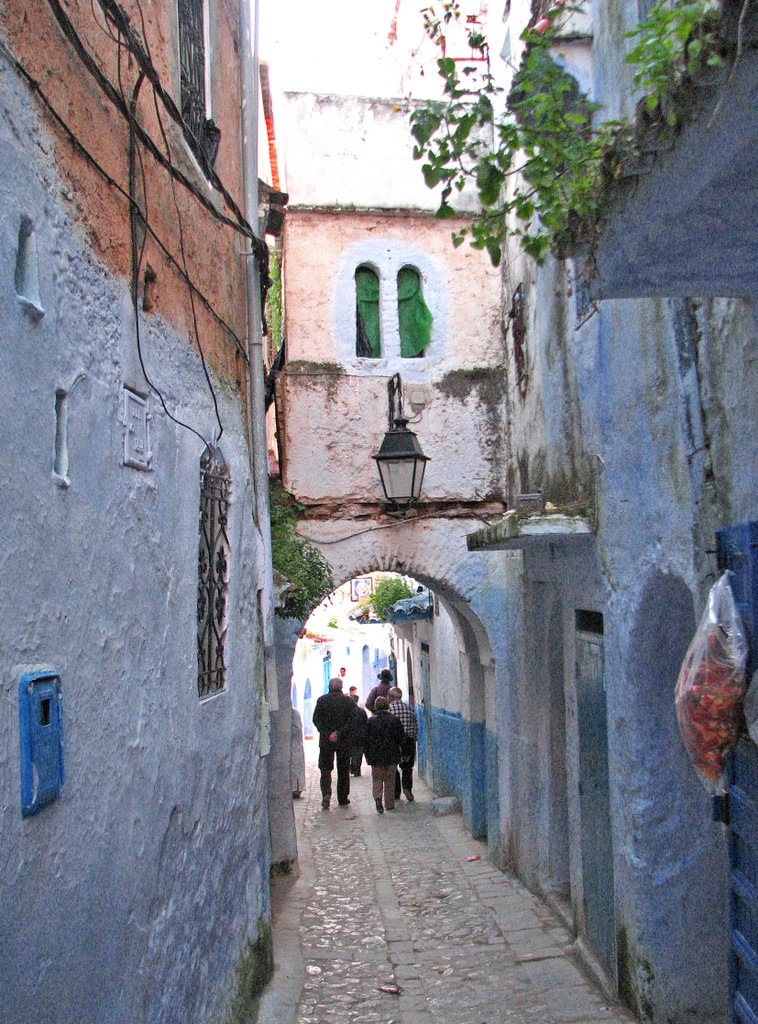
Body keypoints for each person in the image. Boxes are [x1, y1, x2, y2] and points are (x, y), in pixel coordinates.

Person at [312, 676, 357, 809]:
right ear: (341, 687)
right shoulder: (348, 701)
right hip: (343, 741)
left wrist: (328, 733)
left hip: (326, 741)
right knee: (343, 769)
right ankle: (343, 798)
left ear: (329, 687)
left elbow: (316, 719)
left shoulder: (322, 701)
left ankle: (326, 794)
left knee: (325, 768)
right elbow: (352, 721)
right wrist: (339, 733)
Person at [364, 695, 404, 813]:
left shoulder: (371, 722)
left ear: (376, 707)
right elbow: (401, 738)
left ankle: (377, 798)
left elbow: (366, 741)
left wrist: (368, 756)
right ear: (387, 706)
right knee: (390, 780)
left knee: (377, 778)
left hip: (376, 757)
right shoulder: (394, 720)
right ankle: (389, 804)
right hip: (392, 755)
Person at [388, 686, 419, 802]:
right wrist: (413, 739)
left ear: (391, 697)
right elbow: (415, 727)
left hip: (394, 743)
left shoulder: (389, 710)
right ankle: (407, 788)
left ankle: (396, 792)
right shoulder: (410, 709)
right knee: (407, 767)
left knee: (393, 767)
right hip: (408, 742)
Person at [348, 693, 368, 776]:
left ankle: (351, 767)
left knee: (349, 753)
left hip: (349, 735)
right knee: (358, 754)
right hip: (360, 735)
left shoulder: (346, 711)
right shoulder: (362, 711)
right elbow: (366, 723)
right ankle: (357, 770)